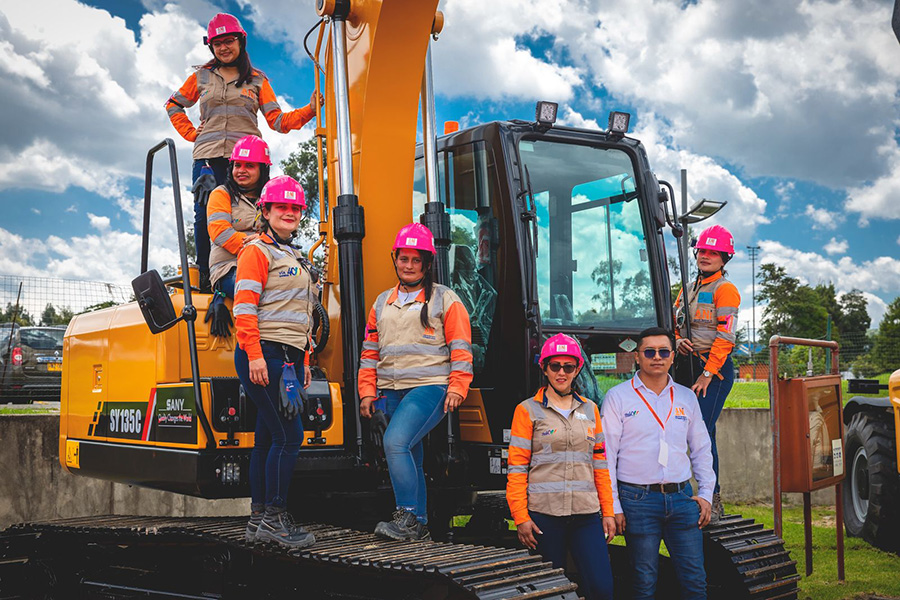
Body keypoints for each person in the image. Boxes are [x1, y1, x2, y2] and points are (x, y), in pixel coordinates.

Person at [165, 12, 320, 288]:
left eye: (229, 41)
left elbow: (279, 122)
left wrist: (310, 110)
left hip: (248, 160)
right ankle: (206, 278)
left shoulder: (257, 80)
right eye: (217, 43)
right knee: (205, 216)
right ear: (211, 47)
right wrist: (190, 133)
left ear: (241, 41)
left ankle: (267, 264)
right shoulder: (201, 77)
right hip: (208, 159)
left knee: (260, 214)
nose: (224, 48)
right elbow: (173, 105)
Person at [357, 223, 474, 541]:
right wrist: (367, 391)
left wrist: (457, 386)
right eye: (403, 258)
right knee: (411, 452)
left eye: (415, 260)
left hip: (430, 387)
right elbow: (370, 352)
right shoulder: (382, 303)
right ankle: (418, 523)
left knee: (394, 443)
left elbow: (461, 346)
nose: (408, 265)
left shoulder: (445, 300)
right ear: (395, 259)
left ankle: (407, 515)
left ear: (427, 263)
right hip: (391, 390)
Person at [601, 327, 715, 600]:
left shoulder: (686, 398)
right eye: (649, 352)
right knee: (643, 581)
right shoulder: (618, 397)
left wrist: (706, 494)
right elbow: (607, 458)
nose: (657, 357)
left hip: (682, 500)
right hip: (637, 500)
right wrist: (613, 506)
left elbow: (701, 449)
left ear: (673, 357)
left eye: (664, 351)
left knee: (695, 580)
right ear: (637, 357)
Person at [233, 175, 316, 548]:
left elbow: (303, 314)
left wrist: (305, 359)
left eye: (295, 207)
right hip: (264, 354)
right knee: (289, 436)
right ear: (264, 211)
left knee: (267, 439)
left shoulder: (293, 255)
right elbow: (246, 309)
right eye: (281, 206)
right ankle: (274, 519)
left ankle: (258, 519)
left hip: (288, 358)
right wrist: (253, 355)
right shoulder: (256, 252)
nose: (289, 212)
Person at [506, 334, 616, 600]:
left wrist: (608, 512)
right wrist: (521, 517)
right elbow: (517, 469)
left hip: (586, 515)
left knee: (602, 588)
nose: (562, 372)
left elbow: (599, 464)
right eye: (555, 366)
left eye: (568, 366)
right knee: (549, 592)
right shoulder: (527, 410)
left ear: (577, 369)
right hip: (545, 516)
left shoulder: (591, 410)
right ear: (544, 368)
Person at [673, 224, 740, 522]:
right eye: (702, 250)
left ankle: (712, 497)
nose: (706, 256)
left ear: (724, 258)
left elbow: (726, 337)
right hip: (688, 366)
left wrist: (707, 374)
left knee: (699, 432)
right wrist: (676, 340)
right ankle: (697, 494)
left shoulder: (725, 290)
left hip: (713, 371)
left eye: (713, 252)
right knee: (701, 431)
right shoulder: (688, 288)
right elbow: (673, 321)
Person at [204, 134, 271, 337]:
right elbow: (220, 232)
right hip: (229, 268)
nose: (241, 171)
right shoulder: (221, 194)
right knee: (266, 297)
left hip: (268, 266)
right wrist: (257, 245)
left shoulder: (270, 196)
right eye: (237, 165)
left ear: (262, 169)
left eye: (249, 166)